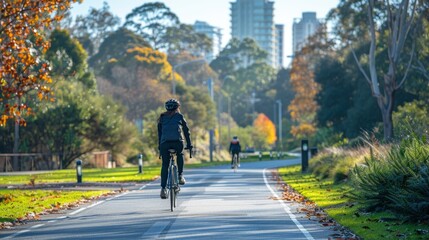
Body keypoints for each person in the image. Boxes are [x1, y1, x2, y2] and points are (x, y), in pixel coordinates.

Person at [157, 98, 192, 199]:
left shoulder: (162, 117)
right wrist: (189, 145)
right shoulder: (180, 116)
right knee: (180, 154)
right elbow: (186, 132)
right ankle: (180, 176)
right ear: (178, 108)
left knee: (165, 165)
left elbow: (160, 134)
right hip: (177, 143)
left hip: (164, 144)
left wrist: (160, 147)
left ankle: (163, 189)